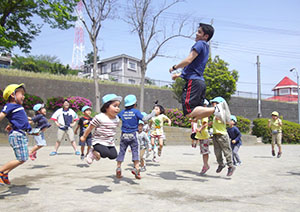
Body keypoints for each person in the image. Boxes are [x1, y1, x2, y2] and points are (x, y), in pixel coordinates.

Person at [169, 23, 230, 123]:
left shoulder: (200, 44)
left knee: (188, 112)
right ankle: (217, 110)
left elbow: (188, 60)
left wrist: (174, 67)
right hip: (200, 83)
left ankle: (217, 109)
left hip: (193, 83)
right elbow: (193, 67)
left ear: (206, 36)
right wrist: (179, 75)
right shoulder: (206, 48)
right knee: (195, 113)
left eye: (199, 32)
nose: (196, 34)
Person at [116, 94, 155, 180]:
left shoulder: (122, 112)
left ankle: (118, 167)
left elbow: (115, 119)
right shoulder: (136, 112)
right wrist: (152, 113)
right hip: (133, 134)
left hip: (123, 135)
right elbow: (145, 119)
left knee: (121, 152)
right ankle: (136, 169)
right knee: (135, 152)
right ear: (134, 104)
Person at [0, 83, 32, 185]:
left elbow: (16, 119)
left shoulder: (17, 107)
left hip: (20, 134)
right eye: (21, 94)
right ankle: (1, 172)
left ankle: (5, 173)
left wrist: (11, 124)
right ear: (13, 95)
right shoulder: (10, 106)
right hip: (17, 135)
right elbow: (2, 115)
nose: (23, 97)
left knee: (23, 158)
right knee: (22, 158)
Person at [80, 94, 122, 166]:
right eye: (115, 106)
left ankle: (96, 153)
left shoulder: (117, 119)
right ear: (106, 107)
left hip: (109, 142)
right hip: (98, 141)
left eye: (118, 106)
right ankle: (92, 152)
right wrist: (84, 136)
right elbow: (90, 127)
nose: (117, 108)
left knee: (113, 155)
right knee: (104, 153)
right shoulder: (99, 117)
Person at [210, 97, 236, 177]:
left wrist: (222, 119)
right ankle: (221, 164)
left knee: (226, 151)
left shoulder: (223, 113)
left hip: (222, 135)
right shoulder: (215, 114)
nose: (212, 104)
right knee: (217, 152)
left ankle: (231, 166)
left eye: (214, 103)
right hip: (215, 135)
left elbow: (230, 122)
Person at [194, 99, 211, 175]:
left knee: (205, 152)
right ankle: (205, 165)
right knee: (203, 152)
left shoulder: (204, 114)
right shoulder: (200, 115)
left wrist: (200, 128)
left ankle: (206, 165)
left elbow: (205, 124)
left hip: (204, 136)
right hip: (201, 136)